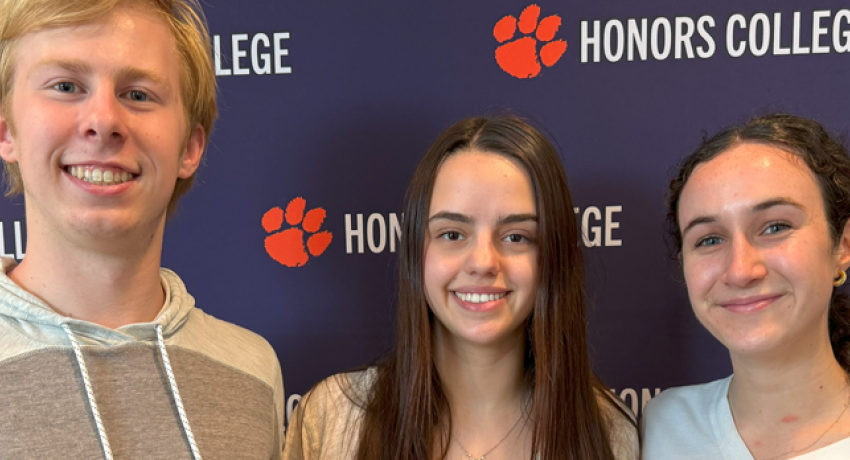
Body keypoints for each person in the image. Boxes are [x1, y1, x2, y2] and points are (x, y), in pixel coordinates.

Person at [0, 0, 284, 458]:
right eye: (67, 86)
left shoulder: (251, 370)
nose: (103, 122)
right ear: (6, 130)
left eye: (138, 95)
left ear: (190, 148)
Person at [284, 115, 638, 460]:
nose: (483, 262)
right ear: (416, 252)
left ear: (554, 257)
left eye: (517, 237)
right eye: (452, 234)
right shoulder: (333, 417)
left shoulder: (610, 433)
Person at [642, 113, 850, 459]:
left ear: (842, 246)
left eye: (775, 227)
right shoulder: (663, 424)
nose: (740, 270)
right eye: (709, 240)